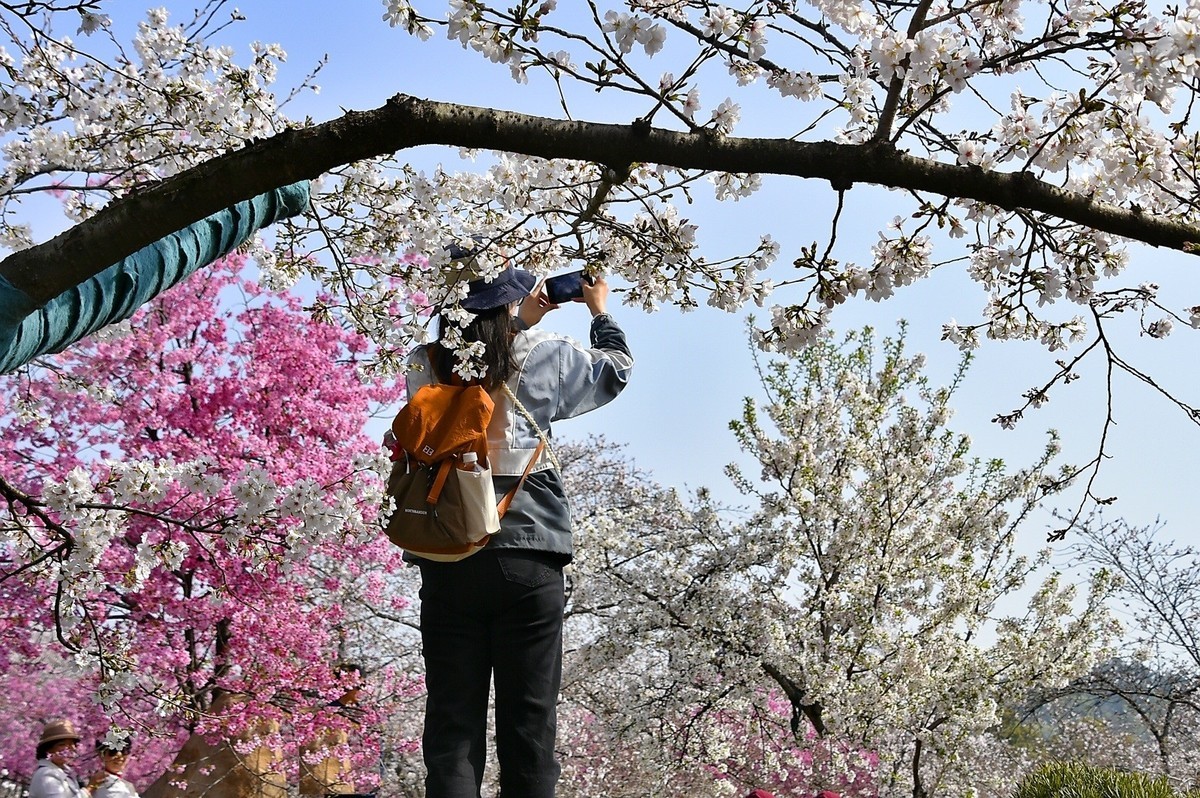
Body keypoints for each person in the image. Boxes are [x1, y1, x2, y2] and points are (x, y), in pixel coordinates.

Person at [405, 247, 633, 798]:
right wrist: (599, 311)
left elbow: (478, 367)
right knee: (529, 729)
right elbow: (616, 372)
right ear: (509, 300)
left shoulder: (424, 363)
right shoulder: (547, 354)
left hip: (449, 552)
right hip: (528, 550)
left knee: (452, 732)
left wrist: (512, 318)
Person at [29, 719, 104, 798]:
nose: (71, 748)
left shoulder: (66, 772)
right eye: (62, 744)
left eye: (73, 744)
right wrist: (89, 788)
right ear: (48, 749)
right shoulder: (47, 774)